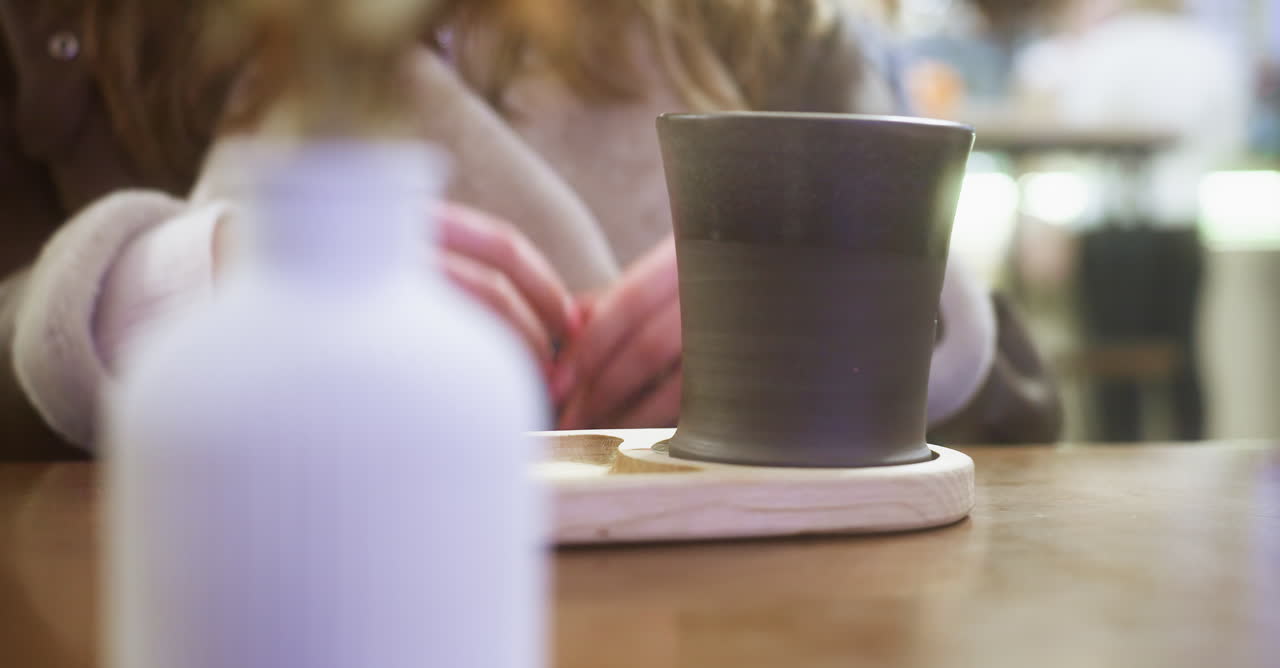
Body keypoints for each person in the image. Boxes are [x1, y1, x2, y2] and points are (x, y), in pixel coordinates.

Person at [0, 0, 1060, 461]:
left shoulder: (765, 30)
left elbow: (1016, 410)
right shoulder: (60, 43)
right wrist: (147, 300)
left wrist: (854, 313)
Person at [1013, 0, 1249, 440]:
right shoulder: (1209, 50)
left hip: (1111, 231)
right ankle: (1197, 481)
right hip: (1182, 225)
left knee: (1115, 368)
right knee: (1184, 360)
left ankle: (1118, 484)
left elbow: (1074, 133)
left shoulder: (1103, 48)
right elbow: (1229, 137)